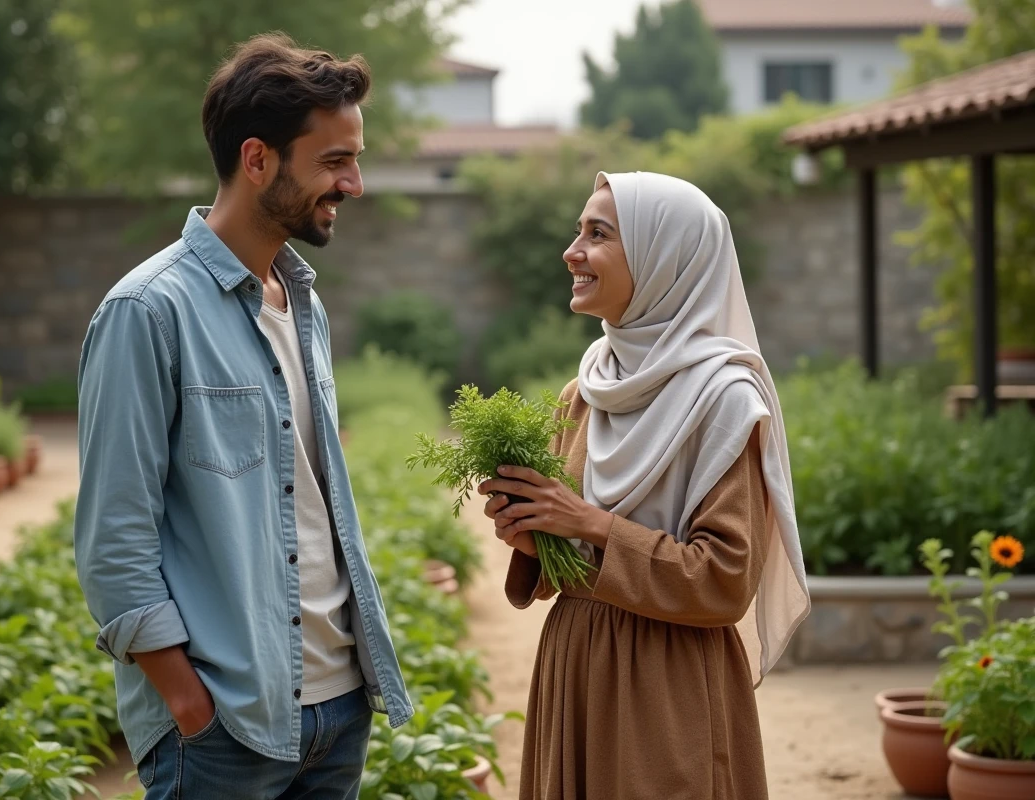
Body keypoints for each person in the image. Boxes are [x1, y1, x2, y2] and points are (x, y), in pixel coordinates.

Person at [74, 34, 412, 800]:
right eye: (334, 161)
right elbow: (113, 539)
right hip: (226, 730)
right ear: (257, 159)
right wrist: (190, 706)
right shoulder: (147, 311)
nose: (355, 184)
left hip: (339, 711)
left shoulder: (306, 304)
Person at [477, 171, 810, 800]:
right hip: (576, 667)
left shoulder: (724, 400)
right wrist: (532, 536)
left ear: (665, 258)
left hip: (667, 686)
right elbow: (570, 560)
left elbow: (725, 580)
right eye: (578, 231)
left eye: (598, 234)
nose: (571, 252)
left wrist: (589, 523)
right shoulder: (586, 391)